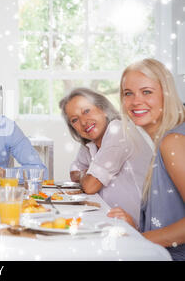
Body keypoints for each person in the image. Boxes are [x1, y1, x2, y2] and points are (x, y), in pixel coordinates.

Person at [107, 58, 185, 261]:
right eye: (128, 93)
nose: (135, 101)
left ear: (166, 94)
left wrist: (138, 239)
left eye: (147, 92)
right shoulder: (167, 139)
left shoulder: (173, 142)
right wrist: (135, 227)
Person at [59, 87, 152, 225]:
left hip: (141, 226)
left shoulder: (118, 129)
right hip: (111, 220)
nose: (84, 122)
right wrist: (85, 176)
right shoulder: (90, 143)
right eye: (74, 120)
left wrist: (85, 176)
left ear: (102, 109)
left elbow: (90, 186)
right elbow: (74, 172)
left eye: (86, 111)